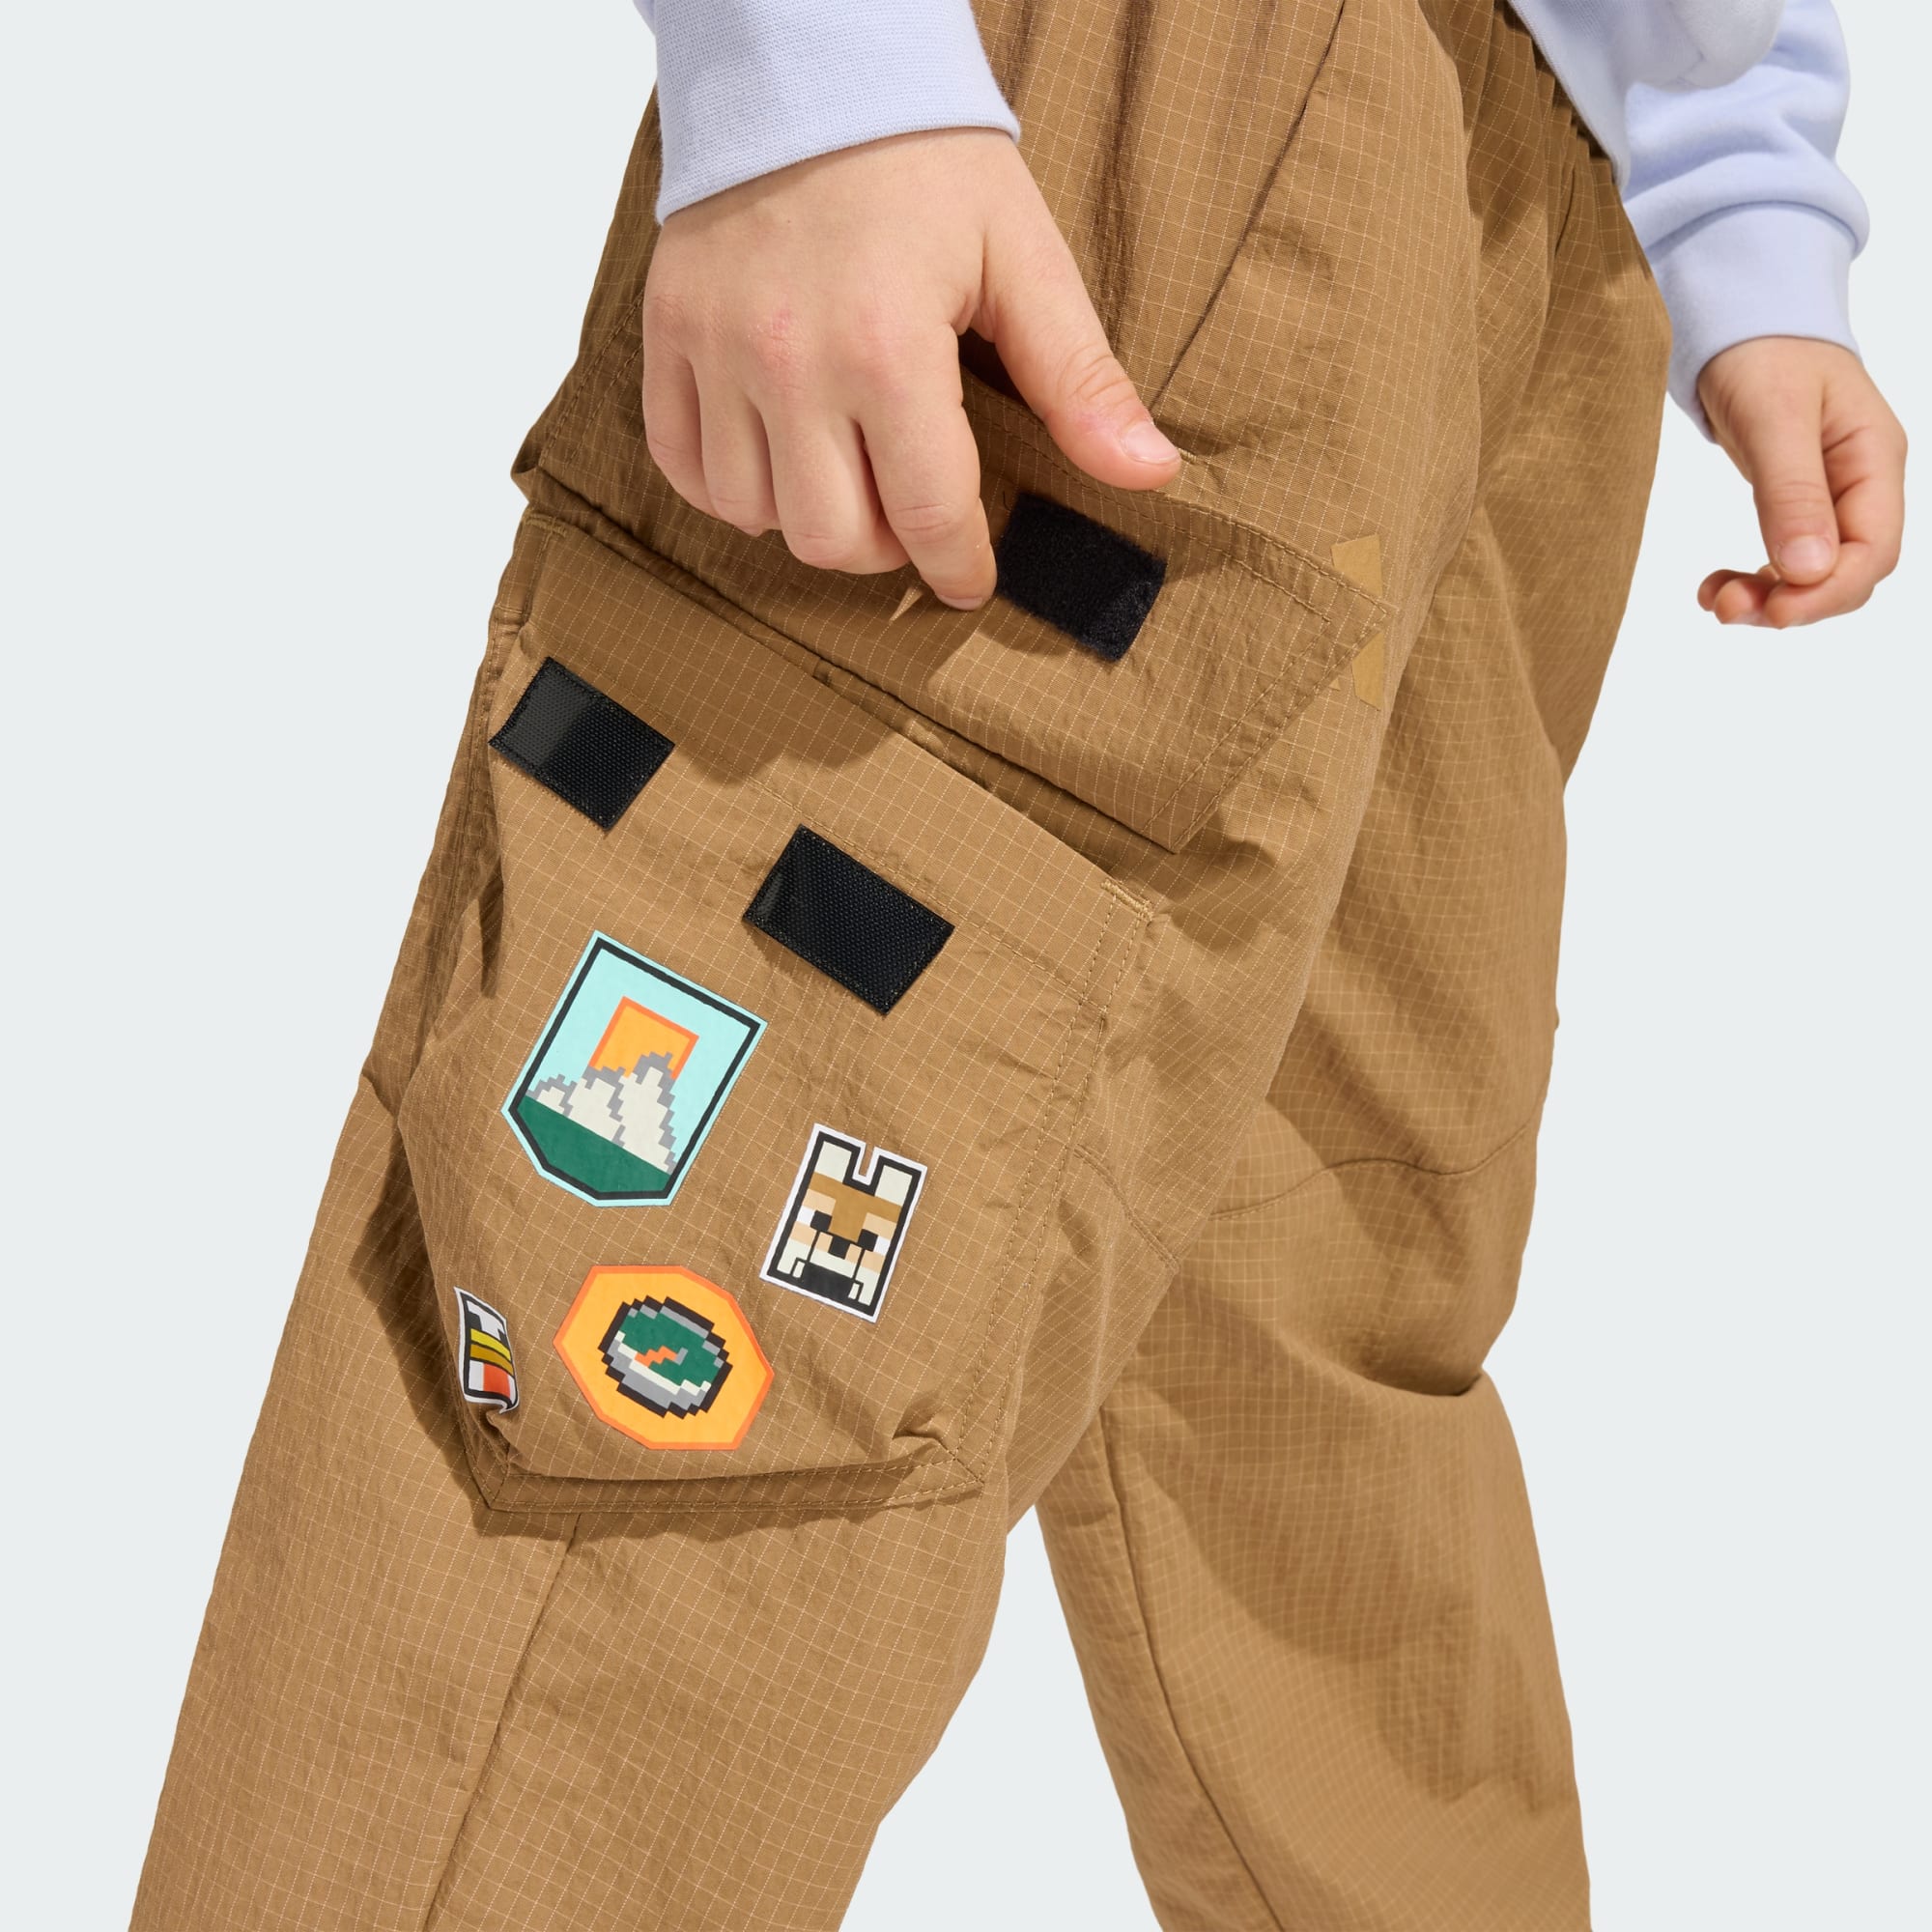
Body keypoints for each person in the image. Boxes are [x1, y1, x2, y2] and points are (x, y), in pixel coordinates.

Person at [132, 3, 1906, 1929]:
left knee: (1321, 1374)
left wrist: (1730, 167)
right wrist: (813, 63)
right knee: (642, 1436)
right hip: (1133, 116)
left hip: (1547, 196)